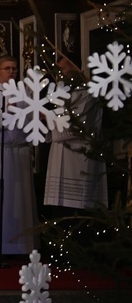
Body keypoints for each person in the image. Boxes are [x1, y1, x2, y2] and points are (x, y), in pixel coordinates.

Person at [0, 55, 38, 255]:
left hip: (19, 151)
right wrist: (4, 113)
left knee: (21, 200)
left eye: (14, 68)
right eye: (7, 68)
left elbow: (33, 122)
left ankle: (21, 245)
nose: (11, 72)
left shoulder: (25, 93)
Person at [44, 56, 108, 215]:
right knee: (60, 210)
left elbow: (78, 125)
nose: (60, 74)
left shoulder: (87, 93)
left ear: (74, 68)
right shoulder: (62, 94)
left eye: (63, 69)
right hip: (60, 154)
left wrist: (47, 116)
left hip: (79, 158)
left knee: (77, 210)